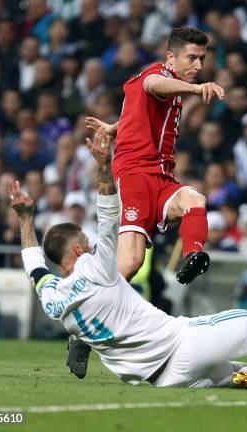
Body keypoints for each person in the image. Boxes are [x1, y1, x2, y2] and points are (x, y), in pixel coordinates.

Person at [9, 130, 247, 388]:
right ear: (76, 251)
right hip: (183, 344)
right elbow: (108, 216)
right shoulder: (95, 268)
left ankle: (237, 375)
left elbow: (33, 266)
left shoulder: (52, 297)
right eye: (84, 243)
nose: (90, 246)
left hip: (156, 378)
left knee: (221, 370)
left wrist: (26, 219)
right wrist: (105, 168)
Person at [84, 27, 224, 286]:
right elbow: (153, 84)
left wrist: (114, 128)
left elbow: (138, 110)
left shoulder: (170, 92)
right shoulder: (158, 74)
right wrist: (196, 89)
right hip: (135, 175)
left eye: (201, 59)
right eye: (191, 58)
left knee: (194, 199)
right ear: (171, 58)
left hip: (161, 176)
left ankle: (192, 254)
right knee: (131, 262)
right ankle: (91, 308)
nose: (198, 65)